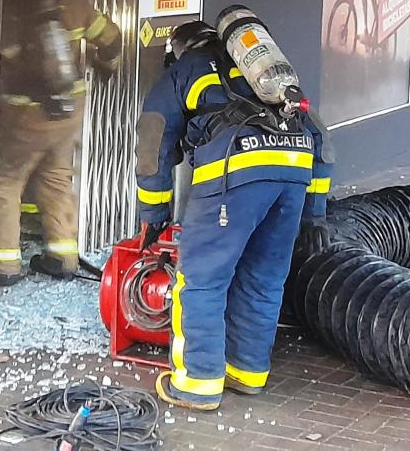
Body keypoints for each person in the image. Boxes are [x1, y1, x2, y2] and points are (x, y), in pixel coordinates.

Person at [135, 20, 331, 411]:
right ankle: (247, 371)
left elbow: (153, 137)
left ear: (180, 49)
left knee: (202, 279)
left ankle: (198, 381)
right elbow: (320, 137)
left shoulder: (186, 69)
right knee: (264, 276)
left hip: (234, 172)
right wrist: (314, 212)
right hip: (294, 170)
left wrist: (154, 211)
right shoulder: (269, 72)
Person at [0, 0, 122, 287]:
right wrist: (107, 67)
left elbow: (6, 56)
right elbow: (111, 38)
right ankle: (63, 257)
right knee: (57, 179)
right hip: (70, 107)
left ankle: (4, 264)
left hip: (26, 112)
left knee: (7, 181)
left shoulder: (7, 6)